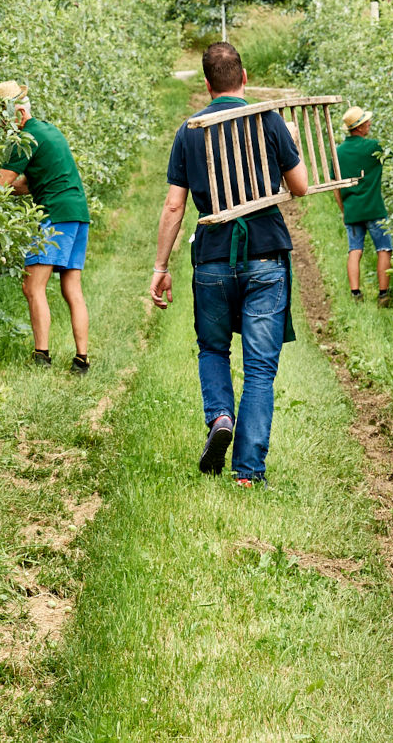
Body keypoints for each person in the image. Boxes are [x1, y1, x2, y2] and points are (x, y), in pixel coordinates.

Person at [148, 43, 309, 488]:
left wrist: (161, 266)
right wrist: (289, 146)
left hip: (214, 258)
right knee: (259, 367)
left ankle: (220, 416)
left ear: (206, 85)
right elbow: (300, 186)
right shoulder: (267, 119)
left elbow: (174, 206)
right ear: (244, 77)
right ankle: (247, 473)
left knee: (214, 348)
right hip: (266, 256)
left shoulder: (190, 131)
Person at [0, 81, 91, 373]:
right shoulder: (48, 131)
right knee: (71, 287)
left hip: (55, 215)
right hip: (77, 212)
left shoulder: (25, 138)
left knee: (32, 286)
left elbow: (3, 183)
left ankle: (41, 356)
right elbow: (31, 182)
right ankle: (81, 359)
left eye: (2, 116)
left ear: (18, 113)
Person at [334, 107, 393, 309]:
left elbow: (336, 185)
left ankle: (355, 293)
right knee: (384, 248)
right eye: (367, 122)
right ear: (360, 127)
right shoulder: (372, 147)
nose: (369, 124)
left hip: (352, 210)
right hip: (374, 209)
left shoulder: (338, 152)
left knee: (355, 250)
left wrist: (344, 210)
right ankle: (383, 295)